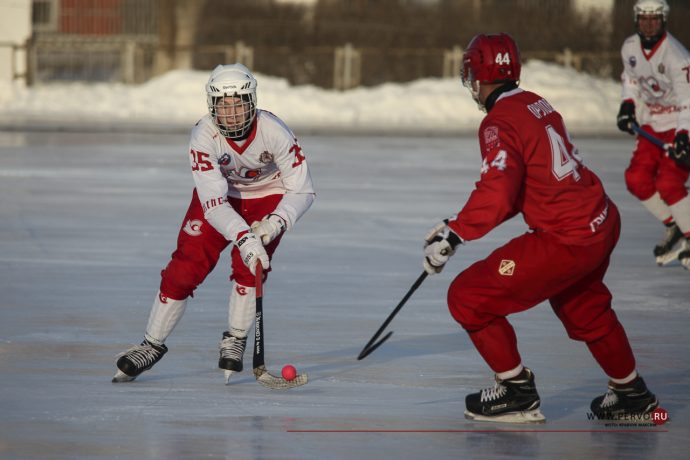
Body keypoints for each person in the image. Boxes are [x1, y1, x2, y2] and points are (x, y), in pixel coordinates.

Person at [422, 33, 659, 423]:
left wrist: (456, 232)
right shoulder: (537, 103)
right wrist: (457, 228)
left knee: (468, 297)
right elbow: (526, 185)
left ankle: (516, 393)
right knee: (583, 307)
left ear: (479, 77)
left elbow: (499, 189)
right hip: (600, 220)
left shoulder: (498, 123)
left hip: (566, 238)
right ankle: (631, 393)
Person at [112, 63, 315, 383]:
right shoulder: (203, 135)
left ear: (252, 102)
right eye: (223, 105)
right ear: (211, 107)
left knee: (252, 268)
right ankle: (151, 344)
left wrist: (274, 224)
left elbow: (302, 189)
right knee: (185, 267)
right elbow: (214, 202)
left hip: (268, 197)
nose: (231, 114)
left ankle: (235, 339)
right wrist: (244, 237)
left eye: (238, 104)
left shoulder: (275, 131)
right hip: (221, 201)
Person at [617, 0, 690, 269]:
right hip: (650, 124)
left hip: (680, 123)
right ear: (637, 20)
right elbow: (632, 80)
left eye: (654, 19)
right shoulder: (629, 48)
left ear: (663, 20)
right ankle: (675, 225)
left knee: (669, 183)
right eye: (644, 19)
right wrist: (627, 105)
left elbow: (687, 101)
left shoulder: (677, 57)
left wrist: (684, 134)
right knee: (636, 179)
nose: (649, 24)